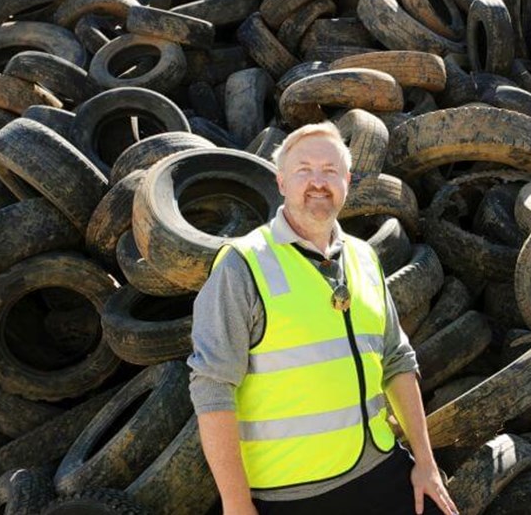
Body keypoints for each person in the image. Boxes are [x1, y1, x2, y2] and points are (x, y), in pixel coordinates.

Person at [188, 122, 458, 515]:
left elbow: (398, 361)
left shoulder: (364, 257)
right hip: (291, 493)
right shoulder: (242, 265)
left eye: (330, 171)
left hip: (380, 468)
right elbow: (212, 387)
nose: (318, 182)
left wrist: (426, 464)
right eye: (303, 170)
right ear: (281, 182)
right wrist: (235, 503)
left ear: (347, 181)